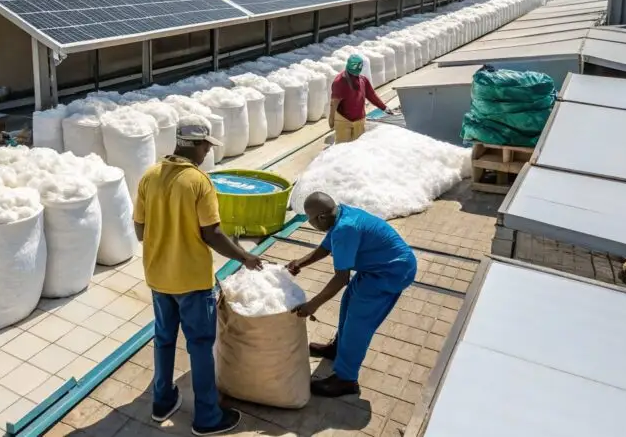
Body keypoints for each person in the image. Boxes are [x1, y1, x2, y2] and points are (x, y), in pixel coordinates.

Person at [134, 114, 264, 436]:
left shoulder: (150, 176)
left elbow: (139, 230)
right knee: (200, 346)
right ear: (199, 145)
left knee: (164, 340)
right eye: (207, 145)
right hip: (191, 281)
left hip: (158, 278)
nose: (208, 152)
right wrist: (245, 256)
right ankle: (207, 417)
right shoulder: (198, 182)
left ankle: (162, 402)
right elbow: (213, 234)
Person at [286, 192, 417, 397]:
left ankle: (346, 380)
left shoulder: (345, 229)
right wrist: (300, 262)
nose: (309, 224)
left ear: (320, 217)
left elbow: (341, 279)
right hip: (376, 268)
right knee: (349, 301)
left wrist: (313, 304)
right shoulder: (339, 214)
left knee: (359, 321)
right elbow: (326, 248)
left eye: (309, 220)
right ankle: (338, 348)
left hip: (391, 272)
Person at [329, 54, 395, 144]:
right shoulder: (339, 82)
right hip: (343, 119)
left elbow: (372, 96)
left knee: (359, 147)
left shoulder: (363, 80)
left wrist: (384, 107)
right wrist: (331, 118)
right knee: (342, 148)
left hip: (359, 119)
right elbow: (334, 102)